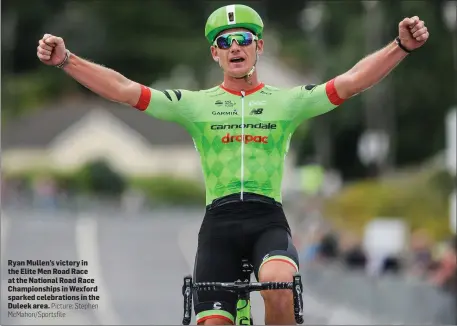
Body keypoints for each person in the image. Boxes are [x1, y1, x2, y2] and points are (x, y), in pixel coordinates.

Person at [36, 4, 429, 325]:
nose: (234, 47)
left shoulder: (286, 101)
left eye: (243, 39)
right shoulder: (194, 105)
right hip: (219, 226)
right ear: (215, 53)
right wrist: (66, 60)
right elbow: (123, 90)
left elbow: (350, 82)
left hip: (266, 219)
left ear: (258, 47)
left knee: (279, 284)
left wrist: (400, 46)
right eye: (225, 41)